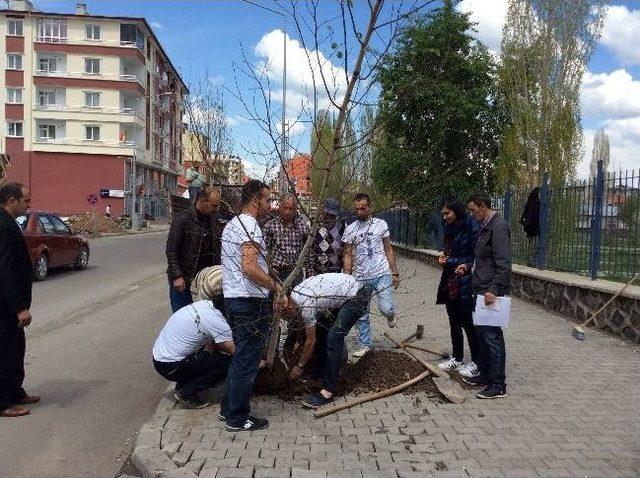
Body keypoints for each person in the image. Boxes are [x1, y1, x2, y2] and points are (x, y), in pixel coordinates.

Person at [220, 179, 282, 432]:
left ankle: (228, 409)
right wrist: (274, 286)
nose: (270, 205)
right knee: (247, 360)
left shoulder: (232, 225)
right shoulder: (250, 227)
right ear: (256, 200)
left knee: (240, 358)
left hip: (233, 298)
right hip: (248, 302)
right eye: (268, 200)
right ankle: (237, 418)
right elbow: (249, 268)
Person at [276, 273, 372, 408]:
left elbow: (311, 341)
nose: (286, 319)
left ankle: (328, 391)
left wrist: (299, 366)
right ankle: (319, 374)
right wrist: (298, 340)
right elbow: (300, 320)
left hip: (357, 296)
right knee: (322, 329)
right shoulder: (296, 295)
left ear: (289, 305)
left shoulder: (306, 305)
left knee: (334, 337)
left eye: (286, 315)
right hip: (346, 295)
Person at [464, 193, 512, 399]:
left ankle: (498, 384)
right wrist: (467, 268)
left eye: (473, 210)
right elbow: (482, 260)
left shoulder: (498, 226)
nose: (472, 214)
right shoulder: (485, 226)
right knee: (482, 335)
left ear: (483, 206)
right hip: (480, 289)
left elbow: (503, 263)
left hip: (489, 292)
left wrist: (494, 288)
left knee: (492, 337)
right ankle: (485, 375)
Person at [0, 182, 40, 418]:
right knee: (6, 352)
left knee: (16, 350)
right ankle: (4, 401)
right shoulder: (3, 226)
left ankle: (15, 392)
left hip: (10, 306)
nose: (29, 204)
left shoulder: (8, 222)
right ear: (12, 201)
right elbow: (5, 270)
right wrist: (19, 308)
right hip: (5, 307)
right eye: (26, 200)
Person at [343, 193, 399, 357]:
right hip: (361, 276)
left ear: (370, 207)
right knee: (362, 313)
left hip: (382, 273)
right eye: (357, 209)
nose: (360, 212)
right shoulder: (350, 228)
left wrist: (394, 272)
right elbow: (347, 254)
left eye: (363, 208)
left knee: (386, 308)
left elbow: (388, 249)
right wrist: (347, 276)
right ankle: (364, 344)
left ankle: (391, 314)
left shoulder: (381, 224)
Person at [153, 300, 234, 409]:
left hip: (160, 360)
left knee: (210, 355)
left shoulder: (204, 305)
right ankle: (187, 392)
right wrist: (257, 362)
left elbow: (215, 345)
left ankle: (183, 384)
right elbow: (233, 350)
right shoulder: (216, 321)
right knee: (228, 363)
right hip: (172, 366)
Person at [436, 198, 480, 378]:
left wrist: (450, 261)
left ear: (457, 211)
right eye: (443, 214)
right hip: (450, 280)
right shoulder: (450, 228)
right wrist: (445, 258)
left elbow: (473, 258)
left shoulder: (470, 228)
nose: (445, 217)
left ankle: (477, 361)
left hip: (465, 281)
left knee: (467, 323)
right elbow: (451, 251)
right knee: (453, 320)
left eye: (448, 213)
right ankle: (457, 357)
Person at [166, 185, 222, 312]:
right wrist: (177, 276)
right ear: (202, 201)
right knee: (183, 317)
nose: (216, 209)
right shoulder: (182, 219)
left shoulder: (213, 221)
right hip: (184, 280)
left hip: (205, 282)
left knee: (202, 320)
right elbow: (171, 250)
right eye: (214, 206)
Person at [263, 195, 310, 285]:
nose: (287, 211)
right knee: (278, 298)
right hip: (277, 272)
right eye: (285, 208)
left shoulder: (303, 227)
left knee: (295, 298)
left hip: (296, 273)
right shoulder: (270, 226)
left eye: (291, 209)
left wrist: (309, 273)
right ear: (280, 207)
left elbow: (308, 251)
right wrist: (268, 267)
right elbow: (264, 249)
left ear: (295, 210)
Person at [309, 198, 345, 276]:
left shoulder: (341, 225)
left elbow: (345, 249)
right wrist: (310, 273)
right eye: (328, 214)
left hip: (335, 272)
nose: (330, 217)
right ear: (323, 211)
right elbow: (309, 251)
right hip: (317, 272)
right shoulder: (314, 225)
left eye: (333, 215)